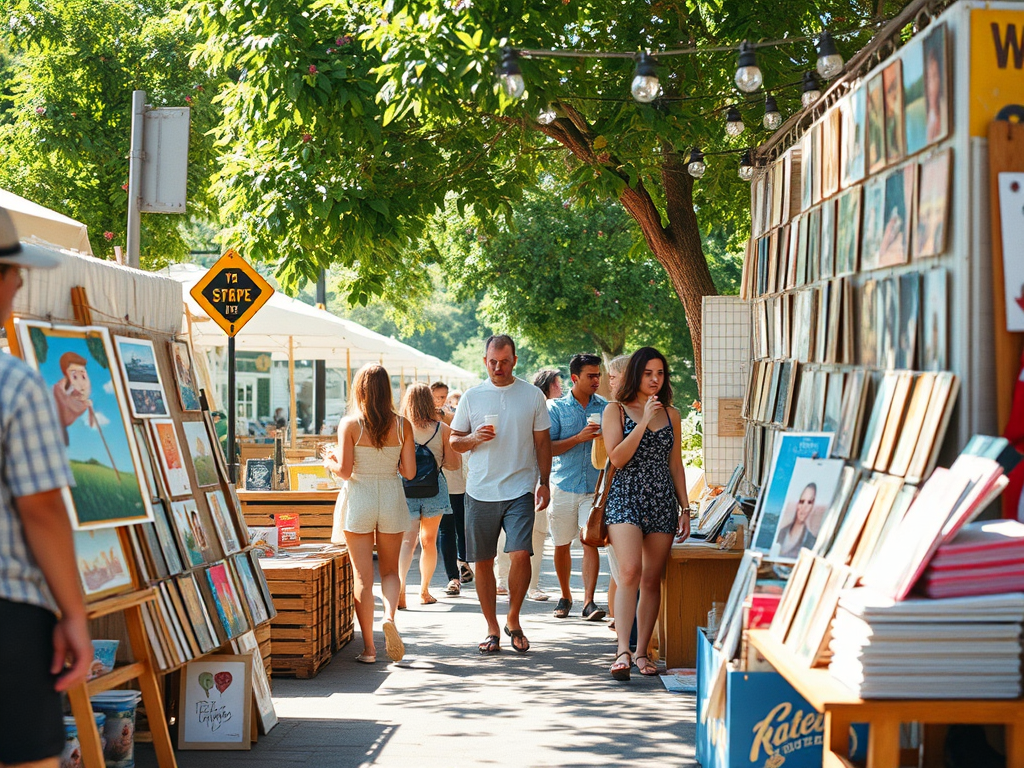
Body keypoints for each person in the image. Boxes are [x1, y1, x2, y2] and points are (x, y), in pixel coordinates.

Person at [0, 208, 93, 768]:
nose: (19, 282)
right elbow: (41, 509)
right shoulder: (16, 383)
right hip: (8, 611)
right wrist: (74, 614)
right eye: (14, 270)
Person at [451, 335, 552, 654]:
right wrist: (473, 438)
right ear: (485, 361)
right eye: (492, 361)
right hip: (480, 490)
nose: (498, 367)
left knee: (521, 553)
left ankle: (514, 619)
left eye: (504, 361)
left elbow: (543, 443)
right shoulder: (472, 396)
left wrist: (545, 481)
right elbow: (454, 441)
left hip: (520, 488)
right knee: (483, 561)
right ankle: (492, 628)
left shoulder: (532, 395)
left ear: (515, 360)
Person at [602, 347, 689, 680]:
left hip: (661, 499)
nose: (655, 380)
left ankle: (642, 652)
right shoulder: (615, 410)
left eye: (660, 373)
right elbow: (617, 458)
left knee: (651, 579)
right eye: (648, 373)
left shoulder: (672, 415)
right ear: (636, 375)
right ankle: (622, 650)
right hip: (625, 497)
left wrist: (685, 507)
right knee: (629, 571)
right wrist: (642, 423)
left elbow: (675, 464)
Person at [326, 363, 417, 664]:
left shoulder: (350, 424)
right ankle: (389, 617)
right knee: (390, 571)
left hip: (360, 498)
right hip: (390, 496)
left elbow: (345, 471)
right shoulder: (403, 425)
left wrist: (330, 461)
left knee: (363, 577)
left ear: (359, 390)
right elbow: (410, 472)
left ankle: (369, 649)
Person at [547, 354, 607, 621]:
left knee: (589, 541)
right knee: (561, 544)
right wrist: (578, 438)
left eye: (598, 375)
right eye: (591, 376)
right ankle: (565, 596)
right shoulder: (556, 408)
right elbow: (547, 448)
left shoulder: (606, 408)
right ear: (575, 378)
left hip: (594, 490)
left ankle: (589, 602)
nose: (596, 380)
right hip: (563, 485)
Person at [495, 367, 561, 601]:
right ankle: (515, 582)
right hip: (522, 476)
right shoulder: (539, 406)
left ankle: (515, 582)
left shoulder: (537, 405)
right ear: (548, 385)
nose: (561, 388)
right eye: (557, 383)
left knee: (529, 532)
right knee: (526, 532)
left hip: (530, 476)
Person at [397, 383, 461, 607]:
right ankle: (424, 591)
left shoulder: (399, 428)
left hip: (405, 489)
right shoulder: (442, 429)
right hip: (434, 489)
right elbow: (454, 464)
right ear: (429, 401)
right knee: (429, 541)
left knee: (407, 541)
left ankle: (401, 591)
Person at [603, 354, 630, 630]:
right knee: (623, 571)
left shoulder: (659, 410)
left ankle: (620, 623)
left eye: (613, 376)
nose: (609, 382)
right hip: (619, 501)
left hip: (651, 501)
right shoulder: (613, 410)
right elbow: (614, 458)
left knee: (623, 572)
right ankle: (623, 628)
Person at [438, 388, 472, 589]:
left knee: (449, 529)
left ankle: (455, 572)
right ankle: (461, 564)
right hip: (454, 484)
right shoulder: (450, 427)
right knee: (457, 527)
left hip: (448, 484)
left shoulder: (443, 425)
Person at [775, 483, 817, 559]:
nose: (804, 507)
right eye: (802, 501)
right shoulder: (781, 532)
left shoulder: (811, 541)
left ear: (812, 506)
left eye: (809, 502)